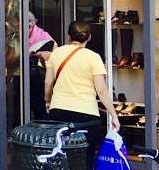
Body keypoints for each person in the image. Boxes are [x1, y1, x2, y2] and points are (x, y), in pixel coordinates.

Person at [44, 20, 119, 157]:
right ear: (89, 37)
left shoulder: (56, 53)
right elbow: (101, 90)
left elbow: (48, 83)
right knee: (86, 156)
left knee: (60, 154)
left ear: (68, 36)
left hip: (59, 110)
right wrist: (113, 115)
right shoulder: (93, 57)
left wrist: (48, 101)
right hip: (86, 113)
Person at [26, 12, 56, 120]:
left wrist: (43, 54)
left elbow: (55, 51)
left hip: (38, 75)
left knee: (38, 106)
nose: (27, 26)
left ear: (34, 23)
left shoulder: (42, 35)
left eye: (29, 24)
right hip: (20, 75)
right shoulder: (16, 34)